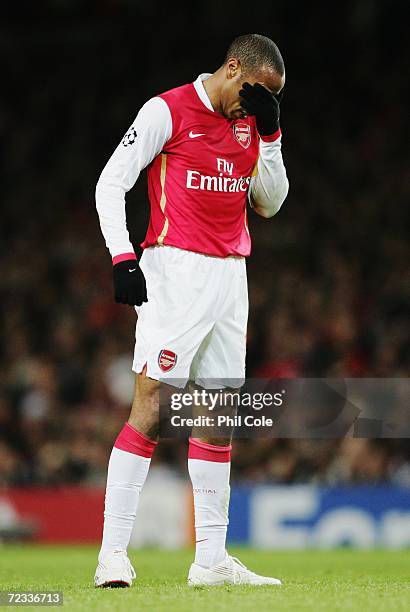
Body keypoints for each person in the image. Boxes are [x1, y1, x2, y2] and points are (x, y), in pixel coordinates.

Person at [94, 33, 289, 587]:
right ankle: (112, 555)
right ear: (234, 68)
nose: (258, 106)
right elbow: (111, 183)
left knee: (219, 416)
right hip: (175, 271)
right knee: (153, 408)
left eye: (272, 100)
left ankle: (211, 560)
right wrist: (122, 256)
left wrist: (271, 134)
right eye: (259, 94)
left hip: (232, 275)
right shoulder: (168, 110)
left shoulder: (255, 122)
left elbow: (270, 203)